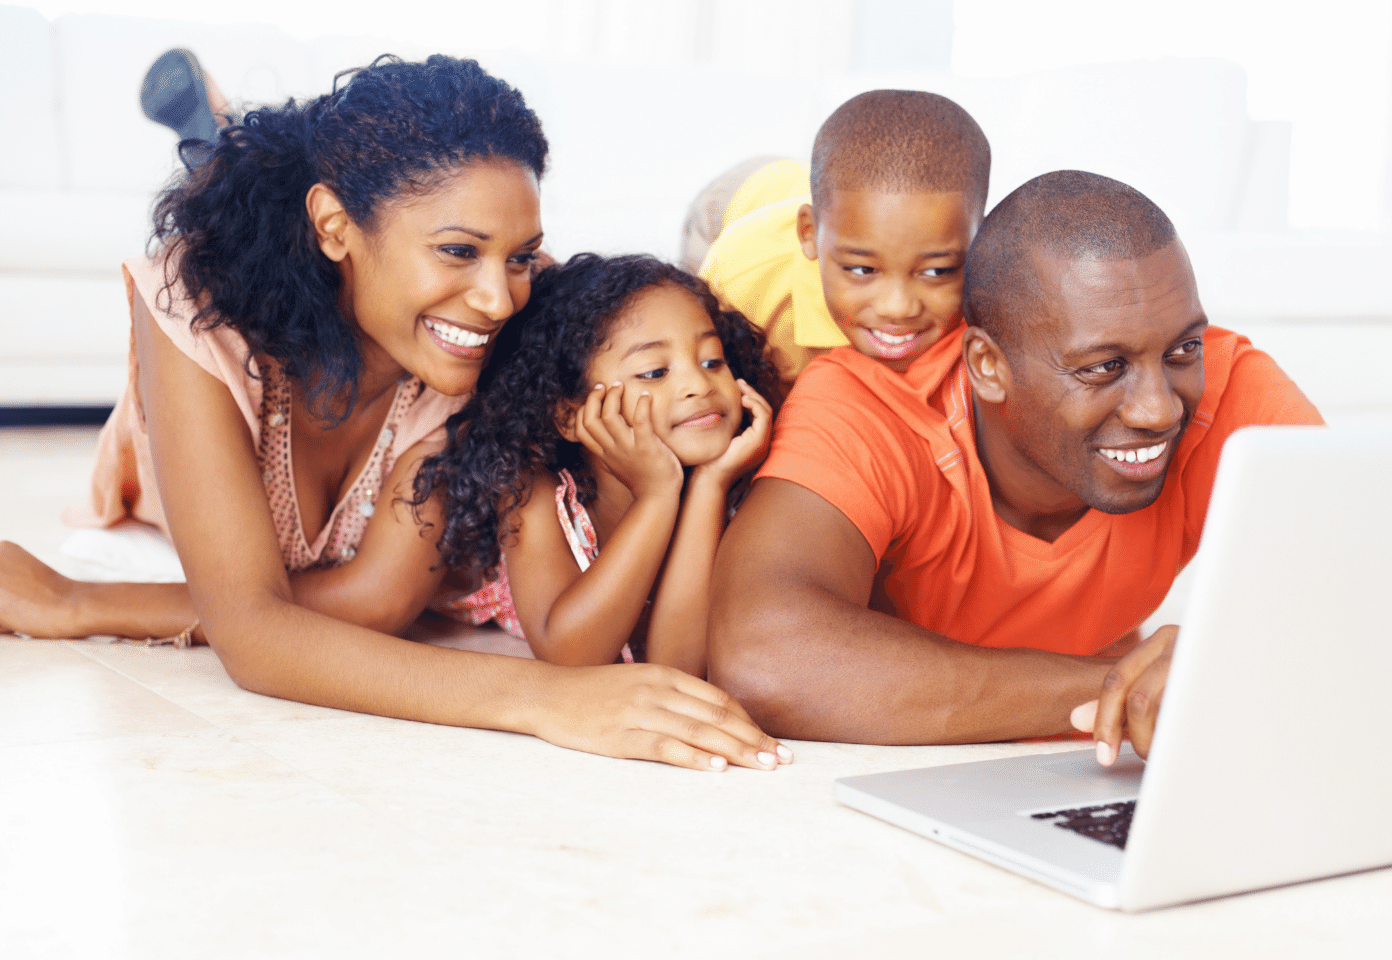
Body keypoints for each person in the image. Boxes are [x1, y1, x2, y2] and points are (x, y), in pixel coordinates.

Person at [0, 54, 789, 773]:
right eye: (457, 251)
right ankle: (219, 141)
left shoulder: (501, 338)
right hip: (256, 296)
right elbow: (255, 637)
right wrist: (543, 700)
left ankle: (232, 145)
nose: (495, 300)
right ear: (336, 227)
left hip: (346, 277)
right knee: (227, 208)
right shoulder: (191, 302)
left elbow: (372, 600)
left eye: (518, 256)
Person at [708, 170, 1324, 766]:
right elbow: (763, 655)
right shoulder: (867, 407)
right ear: (988, 365)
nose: (1158, 408)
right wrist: (1126, 686)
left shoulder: (1230, 387)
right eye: (1103, 367)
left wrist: (1237, 660)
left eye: (1182, 348)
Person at [417, 253, 780, 678]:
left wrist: (710, 487)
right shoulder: (534, 491)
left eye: (712, 361)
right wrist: (657, 494)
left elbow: (676, 667)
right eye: (654, 371)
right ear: (572, 415)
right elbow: (571, 654)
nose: (699, 386)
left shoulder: (741, 484)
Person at [692, 89, 990, 383]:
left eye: (937, 271)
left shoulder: (997, 295)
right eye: (862, 269)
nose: (897, 308)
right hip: (738, 199)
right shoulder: (740, 282)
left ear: (981, 240)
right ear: (809, 234)